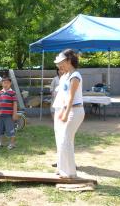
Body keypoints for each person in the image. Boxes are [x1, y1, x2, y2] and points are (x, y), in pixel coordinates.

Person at [53, 49, 85, 178]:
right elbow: (63, 96)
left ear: (69, 60)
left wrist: (65, 113)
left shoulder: (75, 75)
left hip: (74, 111)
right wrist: (61, 111)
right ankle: (62, 168)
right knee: (62, 140)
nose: (59, 66)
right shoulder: (65, 75)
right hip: (65, 110)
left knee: (65, 140)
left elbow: (71, 97)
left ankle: (70, 172)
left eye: (61, 62)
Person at [0, 76, 18, 150]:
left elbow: (15, 104)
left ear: (10, 83)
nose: (6, 84)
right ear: (2, 84)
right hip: (0, 115)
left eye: (7, 83)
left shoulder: (12, 93)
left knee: (10, 130)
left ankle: (12, 144)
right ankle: (1, 143)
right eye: (4, 83)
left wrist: (14, 114)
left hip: (9, 116)